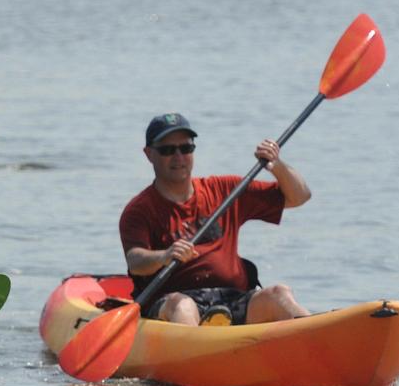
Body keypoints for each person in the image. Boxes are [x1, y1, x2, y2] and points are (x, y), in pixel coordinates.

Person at [119, 113, 313, 326]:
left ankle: (315, 338)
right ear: (149, 154)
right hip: (173, 304)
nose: (178, 157)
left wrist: (276, 165)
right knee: (183, 307)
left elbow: (299, 196)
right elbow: (135, 261)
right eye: (167, 150)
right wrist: (164, 256)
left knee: (279, 293)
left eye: (186, 148)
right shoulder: (139, 210)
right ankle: (195, 351)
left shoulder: (225, 190)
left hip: (232, 299)